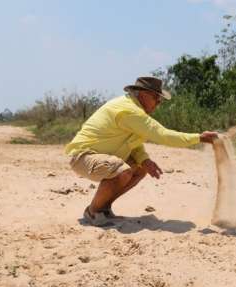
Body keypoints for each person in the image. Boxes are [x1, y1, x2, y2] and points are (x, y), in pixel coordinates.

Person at [64, 76, 218, 226]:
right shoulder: (130, 110)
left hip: (98, 157)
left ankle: (103, 209)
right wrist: (199, 138)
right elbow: (163, 135)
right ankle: (93, 212)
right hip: (83, 157)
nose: (158, 103)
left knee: (139, 169)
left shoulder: (134, 108)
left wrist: (145, 160)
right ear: (144, 95)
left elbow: (133, 142)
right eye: (156, 98)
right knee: (121, 170)